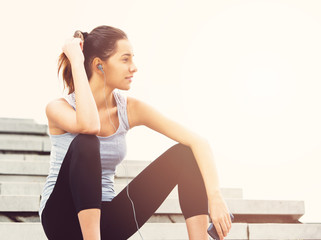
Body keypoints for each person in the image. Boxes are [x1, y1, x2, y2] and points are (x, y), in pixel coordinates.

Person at [38, 25, 232, 240]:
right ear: (99, 65)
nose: (134, 67)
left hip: (107, 219)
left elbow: (199, 142)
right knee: (87, 141)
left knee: (185, 154)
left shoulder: (129, 108)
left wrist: (215, 197)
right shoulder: (58, 108)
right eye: (125, 59)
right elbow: (89, 126)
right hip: (61, 217)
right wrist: (76, 60)